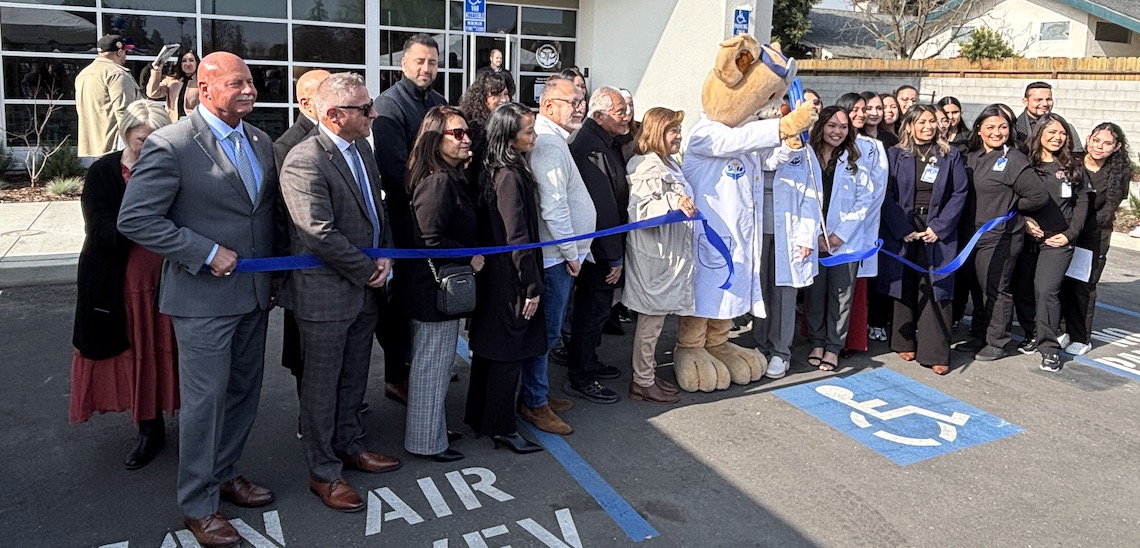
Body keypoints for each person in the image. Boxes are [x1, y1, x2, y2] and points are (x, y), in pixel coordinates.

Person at [117, 51, 280, 548]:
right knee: (205, 404)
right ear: (205, 90)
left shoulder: (259, 139)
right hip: (202, 300)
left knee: (242, 394)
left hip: (253, 296)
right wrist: (205, 251)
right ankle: (198, 503)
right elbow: (136, 219)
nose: (249, 90)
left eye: (250, 81)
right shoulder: (172, 144)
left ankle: (226, 474)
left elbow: (263, 216)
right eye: (237, 83)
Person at [279, 72, 401, 513]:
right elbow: (316, 231)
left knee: (354, 379)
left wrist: (383, 253)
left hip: (365, 288)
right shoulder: (304, 159)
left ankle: (351, 445)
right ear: (334, 115)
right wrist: (367, 268)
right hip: (326, 296)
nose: (374, 113)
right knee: (321, 387)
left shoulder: (362, 148)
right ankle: (324, 471)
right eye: (365, 108)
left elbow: (377, 208)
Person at [71, 100, 175, 471]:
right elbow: (98, 230)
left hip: (167, 276)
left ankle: (179, 417)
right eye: (140, 139)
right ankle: (150, 427)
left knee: (170, 349)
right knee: (137, 349)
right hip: (119, 280)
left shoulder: (173, 166)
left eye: (155, 140)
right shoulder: (104, 171)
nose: (147, 147)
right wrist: (143, 223)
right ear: (126, 134)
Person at [401, 105, 483, 462]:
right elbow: (428, 241)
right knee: (431, 367)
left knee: (436, 365)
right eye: (457, 134)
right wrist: (470, 256)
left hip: (435, 289)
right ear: (436, 140)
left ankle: (431, 429)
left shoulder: (447, 175)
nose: (467, 140)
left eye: (468, 133)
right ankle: (425, 441)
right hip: (432, 291)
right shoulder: (437, 181)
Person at [372, 33, 448, 406]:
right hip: (405, 218)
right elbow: (394, 170)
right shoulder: (389, 106)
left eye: (432, 62)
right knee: (401, 299)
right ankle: (396, 374)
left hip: (436, 215)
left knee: (430, 293)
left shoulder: (438, 103)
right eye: (419, 61)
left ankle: (425, 360)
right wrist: (433, 193)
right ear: (403, 63)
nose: (426, 68)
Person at [466, 102, 547, 453]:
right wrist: (531, 285)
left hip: (497, 275)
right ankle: (501, 427)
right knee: (507, 355)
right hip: (511, 278)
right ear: (509, 138)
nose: (535, 136)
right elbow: (518, 236)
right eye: (528, 131)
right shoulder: (511, 176)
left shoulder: (494, 168)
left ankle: (480, 416)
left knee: (490, 350)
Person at [524, 74, 592, 433]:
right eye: (572, 101)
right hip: (554, 258)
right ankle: (534, 402)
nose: (579, 107)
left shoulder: (555, 139)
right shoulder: (548, 143)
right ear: (548, 106)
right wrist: (571, 252)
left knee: (547, 335)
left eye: (581, 100)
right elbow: (554, 206)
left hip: (559, 256)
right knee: (546, 335)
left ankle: (539, 393)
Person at [880, 104, 968, 376]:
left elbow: (960, 193)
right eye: (922, 122)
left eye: (932, 121)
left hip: (937, 227)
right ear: (909, 125)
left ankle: (935, 351)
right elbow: (885, 193)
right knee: (904, 283)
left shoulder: (950, 155)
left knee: (937, 286)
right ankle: (902, 339)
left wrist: (940, 227)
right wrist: (901, 227)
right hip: (904, 226)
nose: (928, 127)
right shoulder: (894, 154)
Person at [959, 105, 1049, 362]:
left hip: (1001, 236)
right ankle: (979, 333)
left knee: (996, 289)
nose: (997, 132)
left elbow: (1038, 195)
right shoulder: (970, 155)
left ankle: (997, 341)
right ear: (979, 129)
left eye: (1002, 127)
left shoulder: (1014, 159)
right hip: (971, 235)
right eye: (990, 127)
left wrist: (1013, 209)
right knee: (977, 287)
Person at [565, 86, 631, 404]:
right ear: (601, 115)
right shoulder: (590, 145)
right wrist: (614, 257)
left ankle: (588, 362)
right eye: (620, 111)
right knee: (591, 312)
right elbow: (602, 208)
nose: (627, 116)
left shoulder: (603, 141)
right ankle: (581, 376)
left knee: (595, 311)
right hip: (597, 250)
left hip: (600, 247)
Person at [623, 107, 694, 403]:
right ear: (655, 133)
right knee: (650, 323)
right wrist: (673, 200)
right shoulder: (645, 167)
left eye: (678, 129)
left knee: (657, 320)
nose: (678, 135)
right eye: (672, 130)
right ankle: (642, 380)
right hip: (655, 256)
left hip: (671, 254)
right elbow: (640, 210)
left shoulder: (669, 163)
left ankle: (648, 375)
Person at [1013, 113, 1091, 371]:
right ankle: (1031, 333)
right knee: (1023, 289)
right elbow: (1011, 198)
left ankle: (1049, 347)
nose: (1058, 138)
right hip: (1025, 239)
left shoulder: (1073, 166)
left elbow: (1081, 204)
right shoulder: (1025, 164)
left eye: (1062, 133)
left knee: (1046, 290)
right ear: (1039, 135)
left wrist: (1070, 234)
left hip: (1057, 242)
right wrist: (1024, 220)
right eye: (1052, 132)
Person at [273, 69, 330, 408]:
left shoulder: (342, 136)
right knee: (304, 349)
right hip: (305, 261)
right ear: (306, 101)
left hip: (333, 265)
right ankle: (309, 414)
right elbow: (286, 212)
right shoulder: (289, 144)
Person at [804, 106, 877, 372]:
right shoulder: (807, 157)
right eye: (832, 125)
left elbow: (864, 201)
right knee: (814, 294)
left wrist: (838, 236)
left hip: (845, 243)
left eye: (843, 127)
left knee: (841, 296)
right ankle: (817, 342)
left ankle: (834, 347)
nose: (837, 131)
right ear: (822, 125)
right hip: (813, 240)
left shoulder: (854, 162)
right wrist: (815, 235)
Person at [754, 110, 822, 379]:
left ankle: (781, 351)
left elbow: (813, 194)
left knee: (783, 293)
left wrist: (807, 235)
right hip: (757, 232)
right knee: (758, 290)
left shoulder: (803, 150)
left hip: (791, 233)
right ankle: (759, 345)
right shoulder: (754, 147)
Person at [1060, 123, 1131, 356]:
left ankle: (1081, 336)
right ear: (1088, 139)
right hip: (1065, 232)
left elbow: (1107, 210)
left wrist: (1077, 228)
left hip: (1092, 237)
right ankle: (1062, 330)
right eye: (1096, 140)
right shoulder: (1072, 162)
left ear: (1117, 147)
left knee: (1083, 286)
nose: (1100, 147)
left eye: (1108, 143)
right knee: (1060, 282)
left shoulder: (1118, 172)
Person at [76, 34, 142, 157]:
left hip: (92, 146)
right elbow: (125, 113)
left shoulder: (83, 75)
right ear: (119, 52)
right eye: (125, 52)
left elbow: (80, 109)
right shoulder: (117, 74)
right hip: (115, 147)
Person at [459, 71, 515, 196]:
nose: (503, 99)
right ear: (482, 98)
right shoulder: (477, 128)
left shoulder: (506, 125)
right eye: (495, 94)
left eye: (506, 94)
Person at [1013, 81, 1083, 153]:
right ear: (1025, 101)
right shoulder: (1015, 128)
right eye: (1038, 100)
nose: (1045, 104)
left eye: (1048, 99)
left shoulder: (1065, 127)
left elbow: (1077, 154)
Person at [147, 48, 200, 122]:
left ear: (196, 63)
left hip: (193, 124)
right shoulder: (171, 80)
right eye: (184, 61)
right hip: (172, 124)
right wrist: (157, 71)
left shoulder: (202, 81)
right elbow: (153, 93)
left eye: (191, 60)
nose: (188, 64)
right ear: (180, 63)